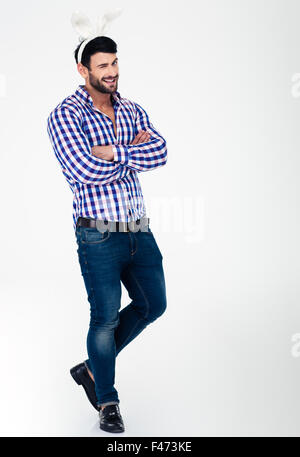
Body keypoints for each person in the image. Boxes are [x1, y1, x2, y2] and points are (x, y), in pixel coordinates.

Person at [46, 35, 168, 433]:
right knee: (104, 320)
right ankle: (107, 401)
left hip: (138, 229)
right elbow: (84, 170)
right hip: (98, 235)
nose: (112, 71)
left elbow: (162, 152)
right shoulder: (65, 115)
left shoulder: (132, 109)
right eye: (102, 65)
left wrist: (114, 152)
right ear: (83, 70)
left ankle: (91, 368)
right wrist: (133, 153)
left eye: (114, 62)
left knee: (154, 305)